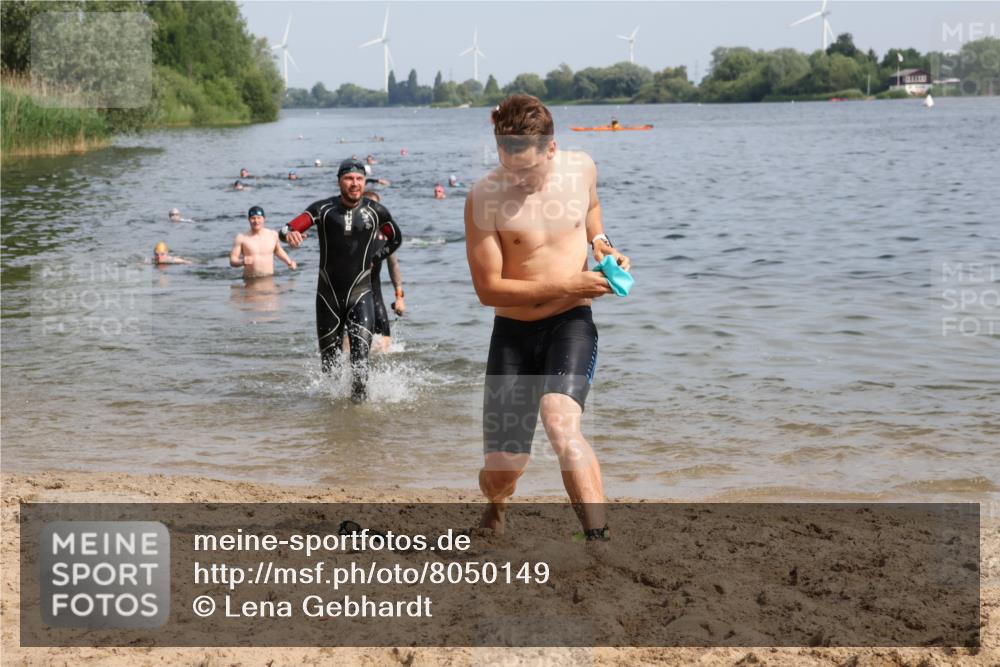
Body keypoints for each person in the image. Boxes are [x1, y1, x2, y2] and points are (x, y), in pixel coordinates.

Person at [464, 94, 630, 539]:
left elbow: (591, 208)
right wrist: (568, 283)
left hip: (569, 323)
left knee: (560, 422)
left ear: (551, 150)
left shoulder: (582, 169)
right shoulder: (484, 197)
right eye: (507, 165)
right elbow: (488, 290)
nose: (515, 178)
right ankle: (496, 506)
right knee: (503, 469)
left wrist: (601, 242)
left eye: (526, 170)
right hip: (512, 334)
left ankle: (598, 539)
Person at [280, 158, 402, 401]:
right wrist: (290, 235)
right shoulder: (323, 210)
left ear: (364, 181)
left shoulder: (375, 212)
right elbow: (286, 229)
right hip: (328, 298)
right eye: (349, 179)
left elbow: (396, 239)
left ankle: (358, 420)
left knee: (360, 364)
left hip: (361, 294)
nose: (354, 184)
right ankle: (334, 420)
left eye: (359, 179)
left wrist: (374, 258)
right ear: (339, 182)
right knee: (330, 367)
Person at [363, 190, 405, 353]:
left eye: (376, 207)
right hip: (349, 294)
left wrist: (399, 297)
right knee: (350, 341)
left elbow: (393, 265)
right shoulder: (350, 231)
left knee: (385, 338)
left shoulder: (385, 236)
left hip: (374, 292)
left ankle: (380, 375)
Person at [229, 205, 297, 279]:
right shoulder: (241, 238)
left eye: (259, 218)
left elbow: (278, 250)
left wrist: (289, 262)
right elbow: (232, 260)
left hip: (269, 278)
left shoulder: (273, 235)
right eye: (253, 218)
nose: (256, 221)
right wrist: (242, 262)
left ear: (264, 219)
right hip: (250, 281)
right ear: (248, 219)